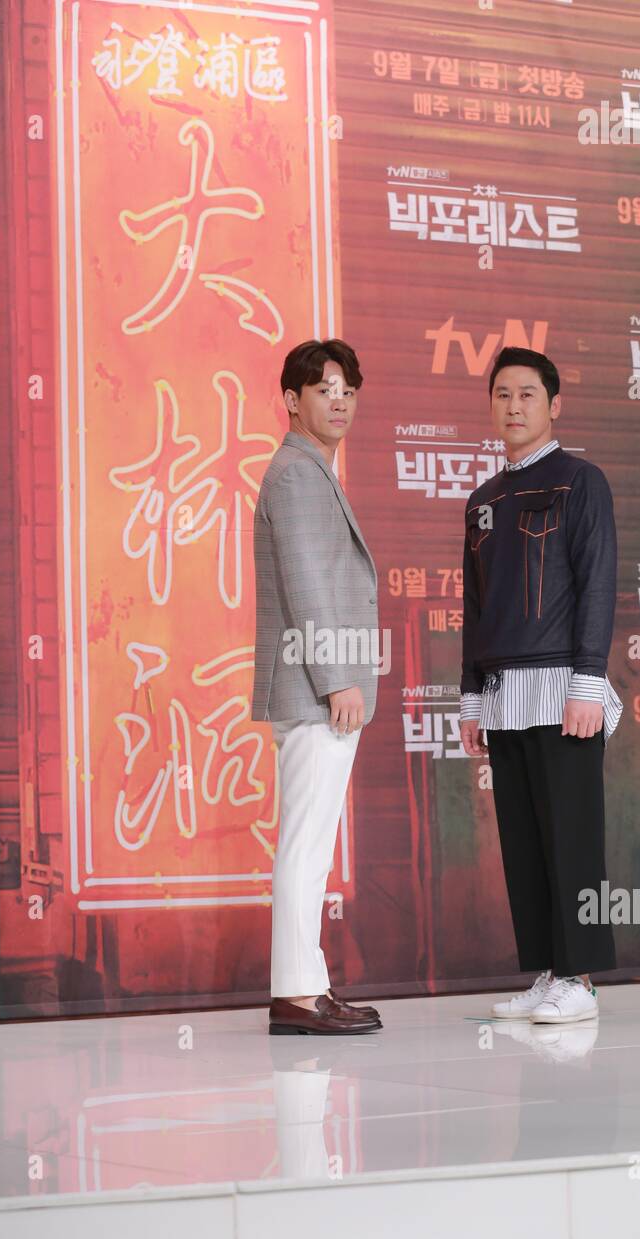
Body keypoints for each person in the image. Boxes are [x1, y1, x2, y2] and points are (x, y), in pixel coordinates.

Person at [460, 346, 623, 1023]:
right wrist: (470, 697)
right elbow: (474, 605)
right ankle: (551, 973)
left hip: (564, 686)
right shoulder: (482, 501)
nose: (514, 405)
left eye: (528, 393)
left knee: (571, 836)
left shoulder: (581, 482)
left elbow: (598, 583)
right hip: (502, 692)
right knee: (526, 840)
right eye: (502, 394)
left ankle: (580, 981)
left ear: (554, 404)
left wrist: (588, 678)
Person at [252, 339, 382, 1036]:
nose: (338, 399)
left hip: (315, 680)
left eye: (348, 389)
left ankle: (308, 985)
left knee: (310, 841)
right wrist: (337, 681)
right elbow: (304, 582)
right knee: (305, 843)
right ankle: (297, 995)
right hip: (315, 685)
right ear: (292, 399)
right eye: (323, 387)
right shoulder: (297, 476)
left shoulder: (311, 470)